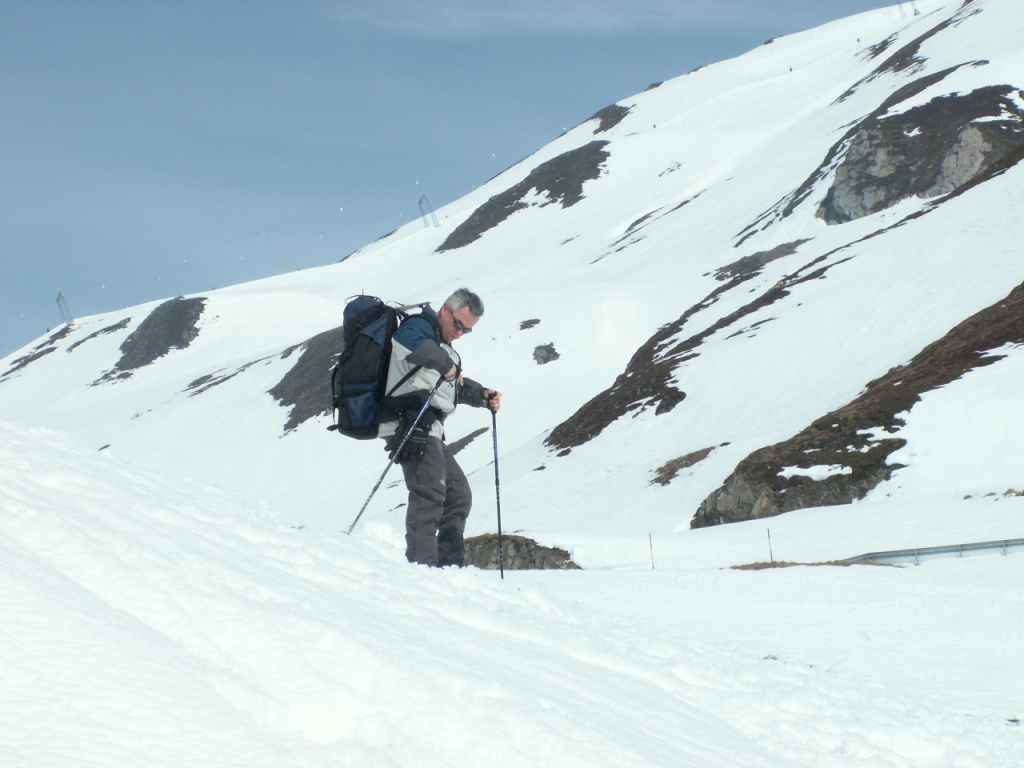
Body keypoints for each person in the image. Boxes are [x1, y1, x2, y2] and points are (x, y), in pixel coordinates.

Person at [378, 288, 501, 567]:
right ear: (444, 309)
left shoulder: (440, 345)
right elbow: (406, 341)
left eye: (466, 330)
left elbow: (448, 386)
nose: (459, 333)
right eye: (457, 324)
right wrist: (446, 364)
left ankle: (450, 568)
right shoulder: (419, 326)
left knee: (457, 495)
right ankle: (422, 569)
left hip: (428, 428)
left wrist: (481, 395)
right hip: (408, 424)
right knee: (430, 493)